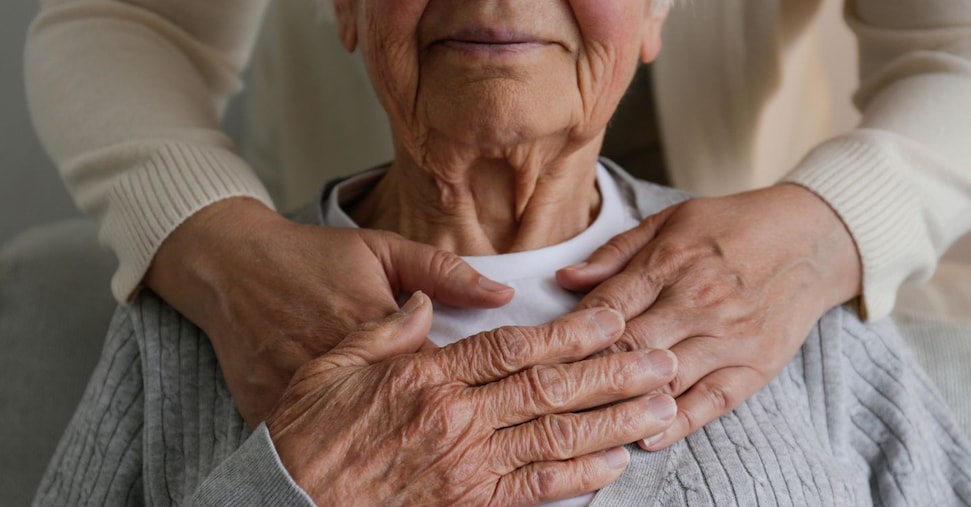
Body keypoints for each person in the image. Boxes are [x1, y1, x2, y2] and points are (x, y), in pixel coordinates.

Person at [35, 0, 971, 504]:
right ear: (345, 10)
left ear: (656, 14)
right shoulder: (206, 324)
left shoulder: (786, 314)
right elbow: (119, 14)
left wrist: (826, 229)